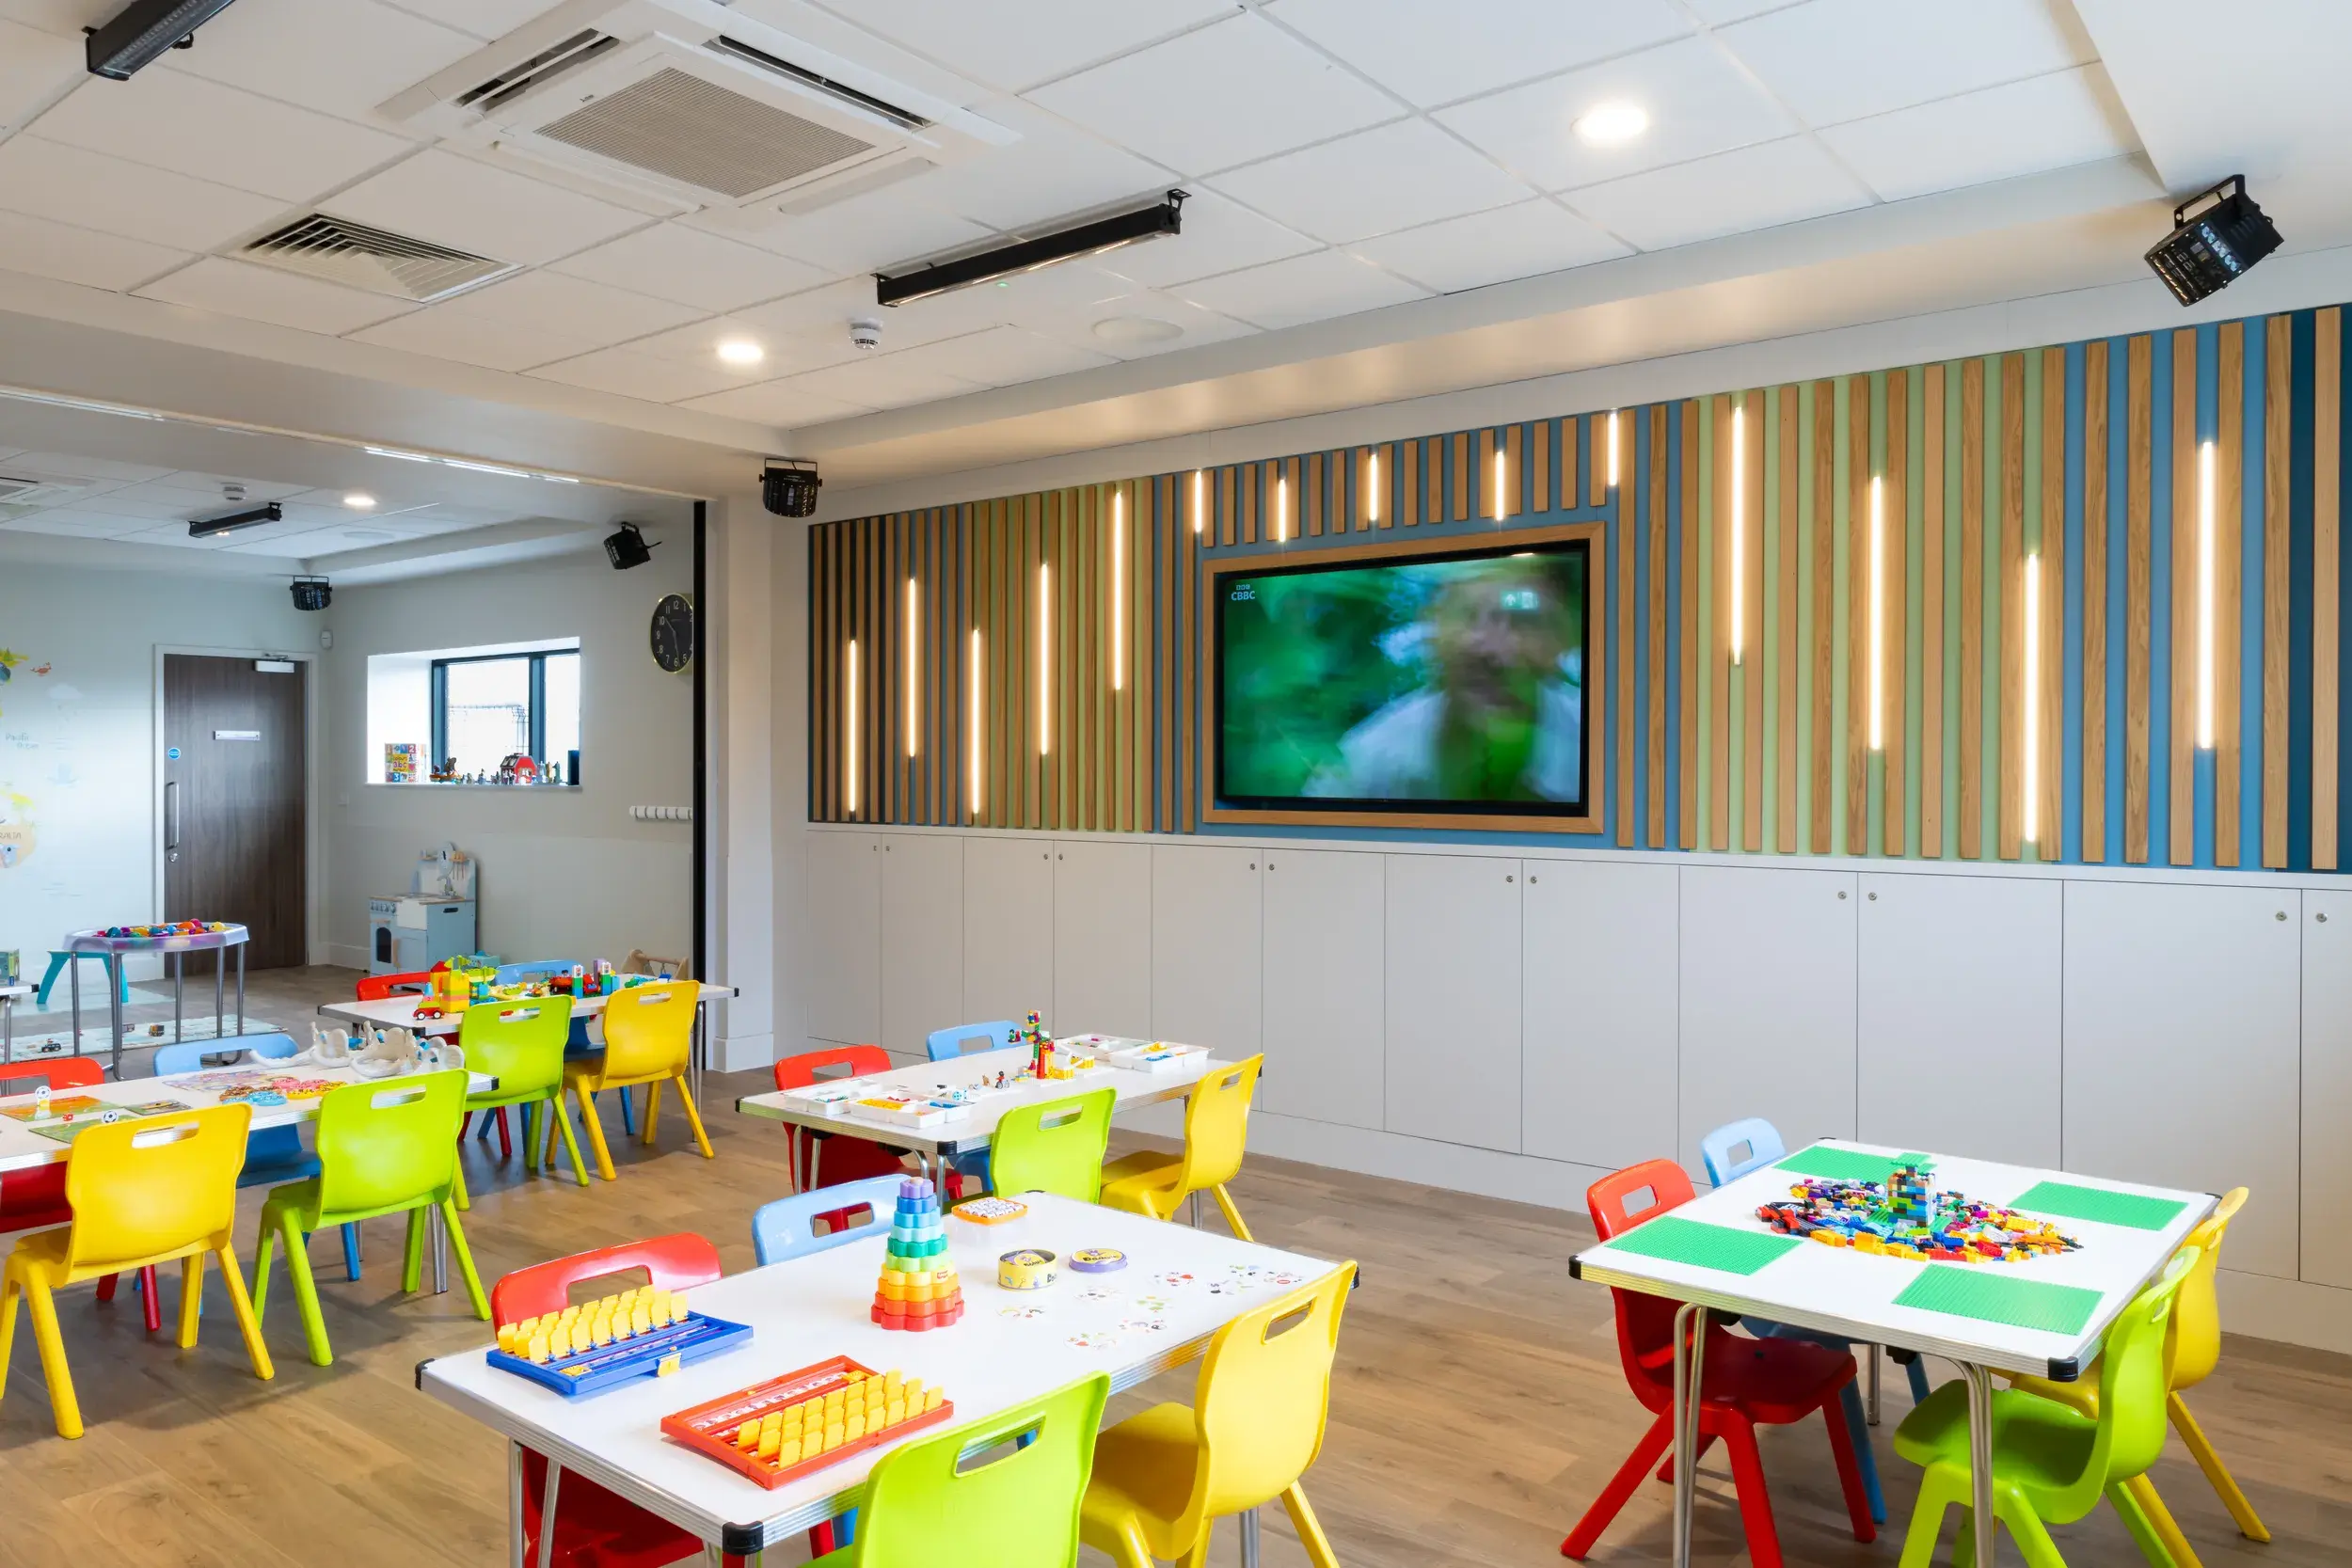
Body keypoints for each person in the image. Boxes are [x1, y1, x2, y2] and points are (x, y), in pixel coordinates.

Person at [1307, 554, 1583, 803]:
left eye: (1524, 622)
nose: (1493, 649)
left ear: (1564, 639)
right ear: (1434, 630)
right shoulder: (1365, 766)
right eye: (1468, 616)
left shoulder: (1598, 745)